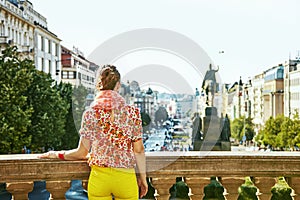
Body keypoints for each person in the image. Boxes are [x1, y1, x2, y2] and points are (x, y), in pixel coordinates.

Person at [39, 65, 148, 200]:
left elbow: (81, 153)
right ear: (118, 85)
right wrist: (143, 178)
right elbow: (138, 150)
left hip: (99, 178)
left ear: (98, 85)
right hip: (125, 178)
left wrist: (55, 154)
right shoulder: (132, 113)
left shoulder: (90, 114)